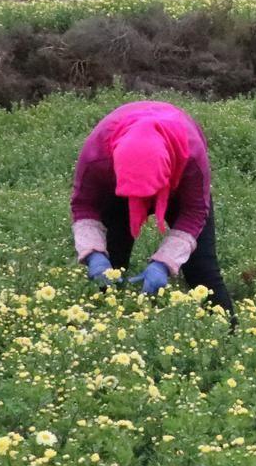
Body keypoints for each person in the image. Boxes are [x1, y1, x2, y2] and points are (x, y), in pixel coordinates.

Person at [71, 101, 234, 315]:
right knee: (109, 269)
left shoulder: (191, 156)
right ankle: (97, 334)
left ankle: (226, 337)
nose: (144, 202)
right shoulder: (98, 155)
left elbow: (194, 213)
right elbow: (84, 204)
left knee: (202, 271)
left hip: (175, 186)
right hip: (119, 191)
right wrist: (93, 253)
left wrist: (164, 263)